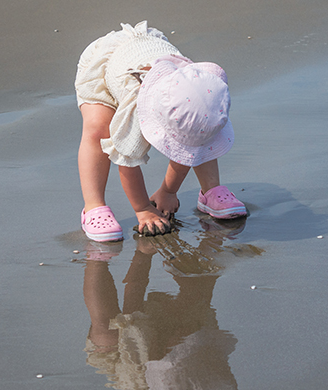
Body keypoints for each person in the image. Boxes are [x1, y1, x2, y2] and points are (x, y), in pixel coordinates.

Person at [75, 21, 247, 242]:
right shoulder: (137, 108)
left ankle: (210, 190)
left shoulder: (198, 87)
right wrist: (143, 208)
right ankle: (93, 206)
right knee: (98, 130)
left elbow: (189, 148)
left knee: (199, 131)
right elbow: (127, 159)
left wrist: (168, 191)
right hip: (105, 63)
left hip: (153, 51)